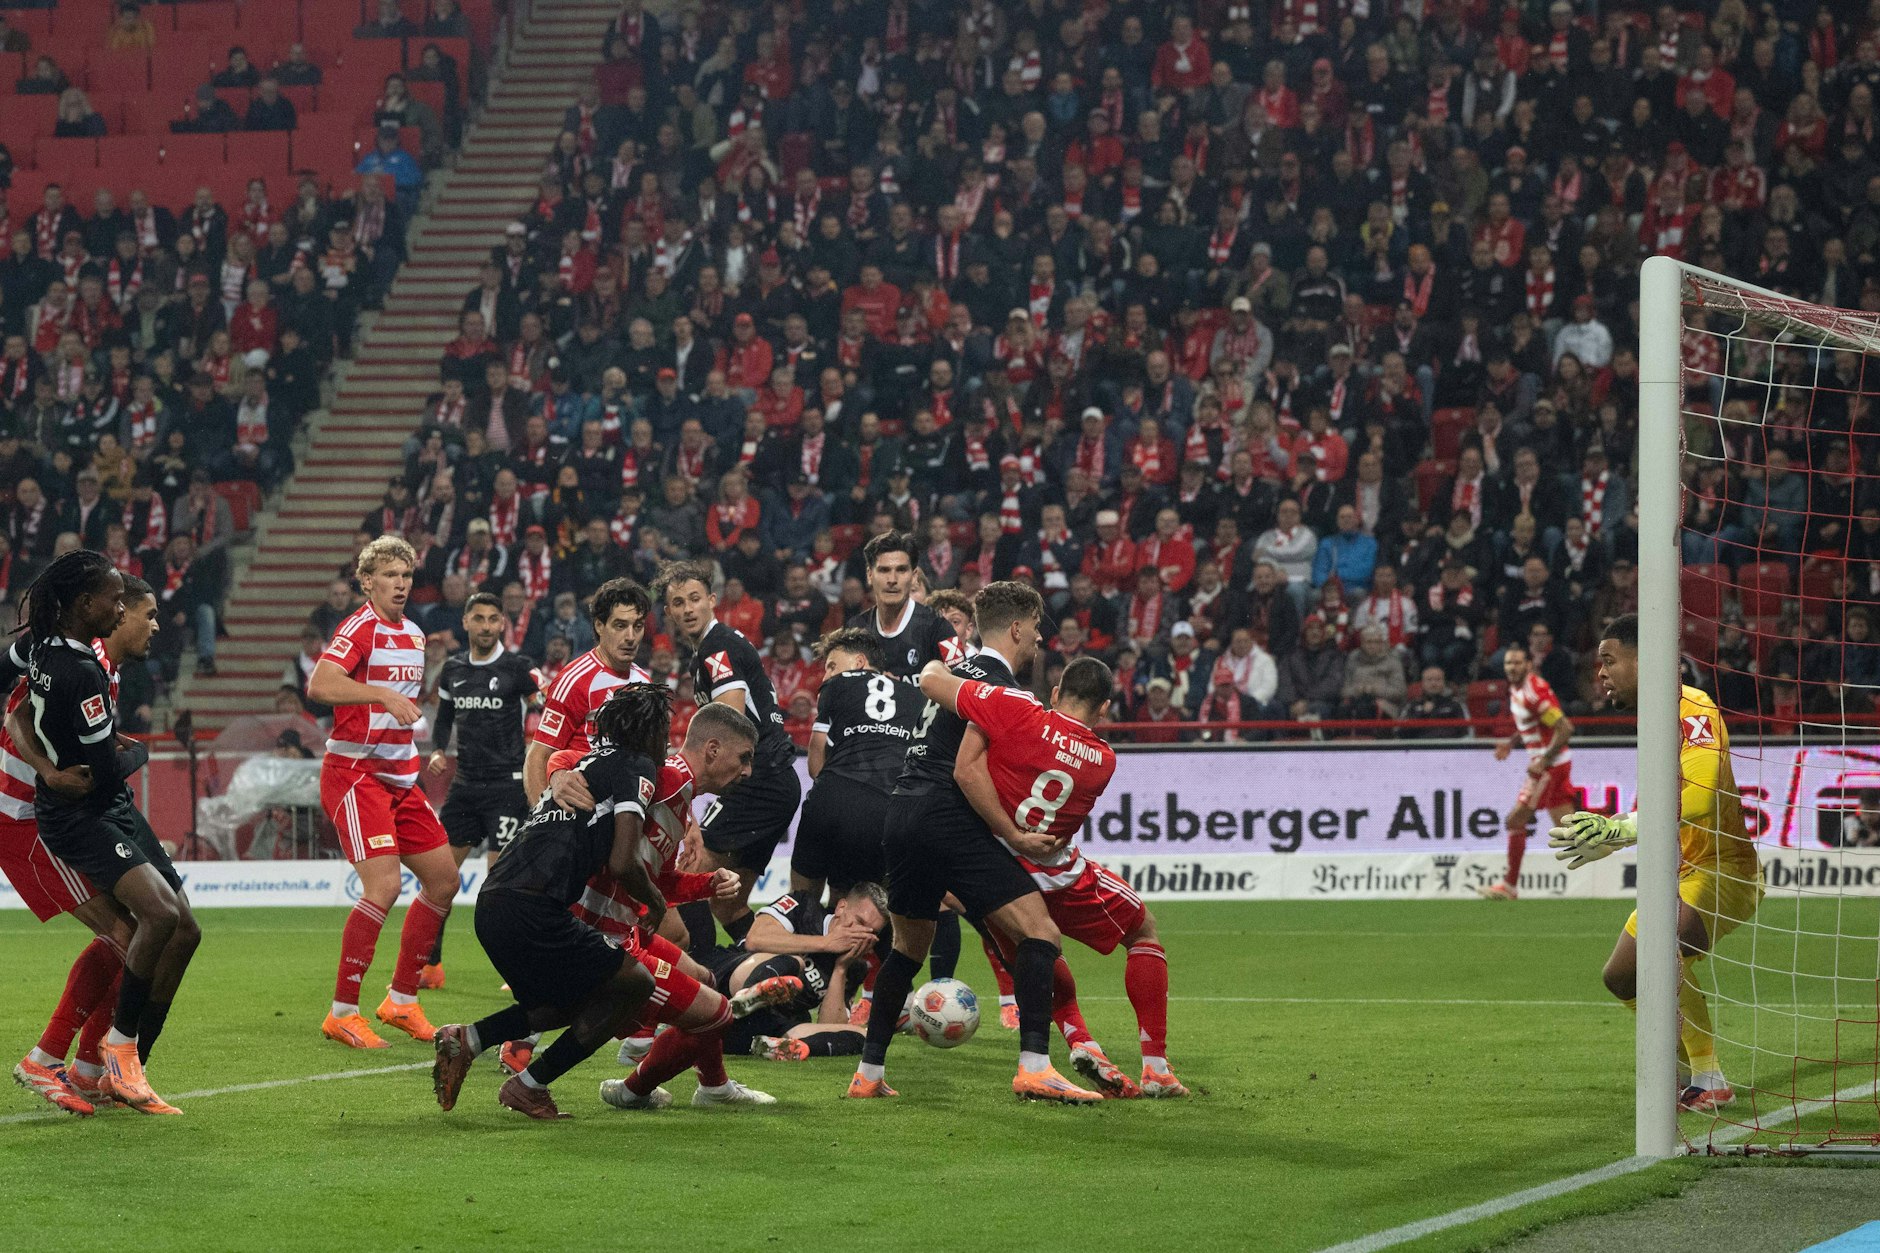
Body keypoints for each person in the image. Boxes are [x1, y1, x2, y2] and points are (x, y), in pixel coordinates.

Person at [849, 579, 1101, 1103]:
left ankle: (868, 1075)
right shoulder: (1000, 688)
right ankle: (1034, 1066)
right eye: (1034, 631)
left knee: (908, 949)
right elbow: (967, 770)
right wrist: (1012, 835)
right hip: (946, 814)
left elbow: (932, 687)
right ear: (1015, 627)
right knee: (1039, 932)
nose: (1038, 643)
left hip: (903, 812)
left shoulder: (960, 674)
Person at [918, 654, 1187, 1098]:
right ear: (1104, 710)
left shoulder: (1018, 713)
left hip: (996, 872)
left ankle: (1080, 1039)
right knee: (1142, 932)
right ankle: (1155, 1066)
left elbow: (935, 686)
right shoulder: (1103, 760)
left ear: (1057, 693)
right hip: (1060, 874)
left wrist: (947, 659)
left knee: (1035, 953)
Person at [1548, 614, 1764, 1114]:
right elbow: (1660, 816)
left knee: (1663, 945)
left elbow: (1704, 795)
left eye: (1609, 660)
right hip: (1682, 874)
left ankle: (1708, 1076)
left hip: (1725, 871)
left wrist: (1623, 826)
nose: (1600, 672)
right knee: (1621, 977)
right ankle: (1684, 1070)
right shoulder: (1654, 722)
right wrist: (1611, 840)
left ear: (1645, 659)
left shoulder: (1693, 709)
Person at [12, 554, 199, 1113]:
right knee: (136, 932)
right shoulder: (82, 662)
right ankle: (58, 1060)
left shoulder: (87, 662)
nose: (151, 623)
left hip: (84, 802)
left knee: (173, 930)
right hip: (27, 813)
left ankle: (99, 1065)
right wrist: (56, 771)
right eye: (145, 612)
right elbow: (16, 715)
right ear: (107, 613)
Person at [427, 687, 665, 1120]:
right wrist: (655, 901)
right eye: (664, 733)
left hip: (493, 900)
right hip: (532, 907)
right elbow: (623, 861)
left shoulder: (581, 765)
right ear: (649, 732)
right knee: (636, 984)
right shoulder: (637, 765)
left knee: (557, 1006)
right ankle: (529, 1086)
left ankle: (470, 1040)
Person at [306, 536, 456, 1050]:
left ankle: (402, 1000)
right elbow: (321, 685)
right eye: (389, 575)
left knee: (444, 880)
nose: (400, 585)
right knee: (384, 886)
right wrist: (381, 693)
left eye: (407, 576)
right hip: (354, 773)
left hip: (398, 780)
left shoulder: (413, 634)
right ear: (366, 581)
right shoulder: (358, 628)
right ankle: (342, 1012)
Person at [647, 561, 801, 929]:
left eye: (695, 599)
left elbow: (729, 728)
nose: (688, 609)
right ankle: (777, 971)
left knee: (693, 872)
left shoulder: (716, 648)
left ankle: (704, 974)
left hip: (758, 779)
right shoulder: (715, 648)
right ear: (667, 612)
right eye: (679, 602)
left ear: (712, 600)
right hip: (776, 780)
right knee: (727, 906)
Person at [420, 591, 540, 985]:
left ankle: (518, 969)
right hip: (465, 787)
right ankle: (431, 965)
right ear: (467, 622)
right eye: (480, 618)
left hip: (507, 787)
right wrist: (438, 749)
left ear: (502, 624)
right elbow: (444, 718)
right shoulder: (453, 670)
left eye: (494, 619)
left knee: (499, 889)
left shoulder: (519, 668)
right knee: (439, 881)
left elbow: (548, 702)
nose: (487, 626)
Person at [792, 627, 921, 899]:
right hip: (892, 809)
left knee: (805, 902)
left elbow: (816, 760)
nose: (826, 674)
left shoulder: (835, 686)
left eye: (831, 665)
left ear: (860, 662)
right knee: (877, 906)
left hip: (834, 798)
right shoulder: (916, 696)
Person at [715, 883, 889, 1062]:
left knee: (861, 1035)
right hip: (726, 983)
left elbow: (828, 1027)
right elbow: (755, 939)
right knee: (794, 963)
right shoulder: (804, 906)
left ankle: (770, 1046)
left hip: (762, 1021)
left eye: (871, 933)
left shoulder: (854, 968)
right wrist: (826, 943)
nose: (861, 935)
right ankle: (742, 1002)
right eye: (859, 922)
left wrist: (840, 969)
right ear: (841, 907)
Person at [523, 577, 650, 804]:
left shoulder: (645, 683)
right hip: (584, 812)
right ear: (599, 626)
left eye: (637, 626)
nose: (630, 637)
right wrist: (541, 824)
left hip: (628, 810)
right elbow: (538, 757)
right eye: (620, 625)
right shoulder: (574, 680)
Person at [1478, 640, 1576, 901]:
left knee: (1515, 821)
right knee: (1572, 832)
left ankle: (1509, 886)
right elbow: (1531, 724)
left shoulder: (1533, 693)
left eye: (1517, 662)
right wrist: (1511, 743)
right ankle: (1629, 824)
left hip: (1549, 768)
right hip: (1554, 764)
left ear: (1529, 664)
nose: (1511, 667)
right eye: (1509, 662)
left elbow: (1565, 728)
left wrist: (1544, 760)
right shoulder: (1518, 688)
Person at [845, 530, 964, 677]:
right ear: (870, 575)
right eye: (884, 570)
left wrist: (902, 693)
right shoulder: (855, 630)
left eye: (901, 570)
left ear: (914, 577)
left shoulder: (940, 629)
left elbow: (960, 686)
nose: (892, 579)